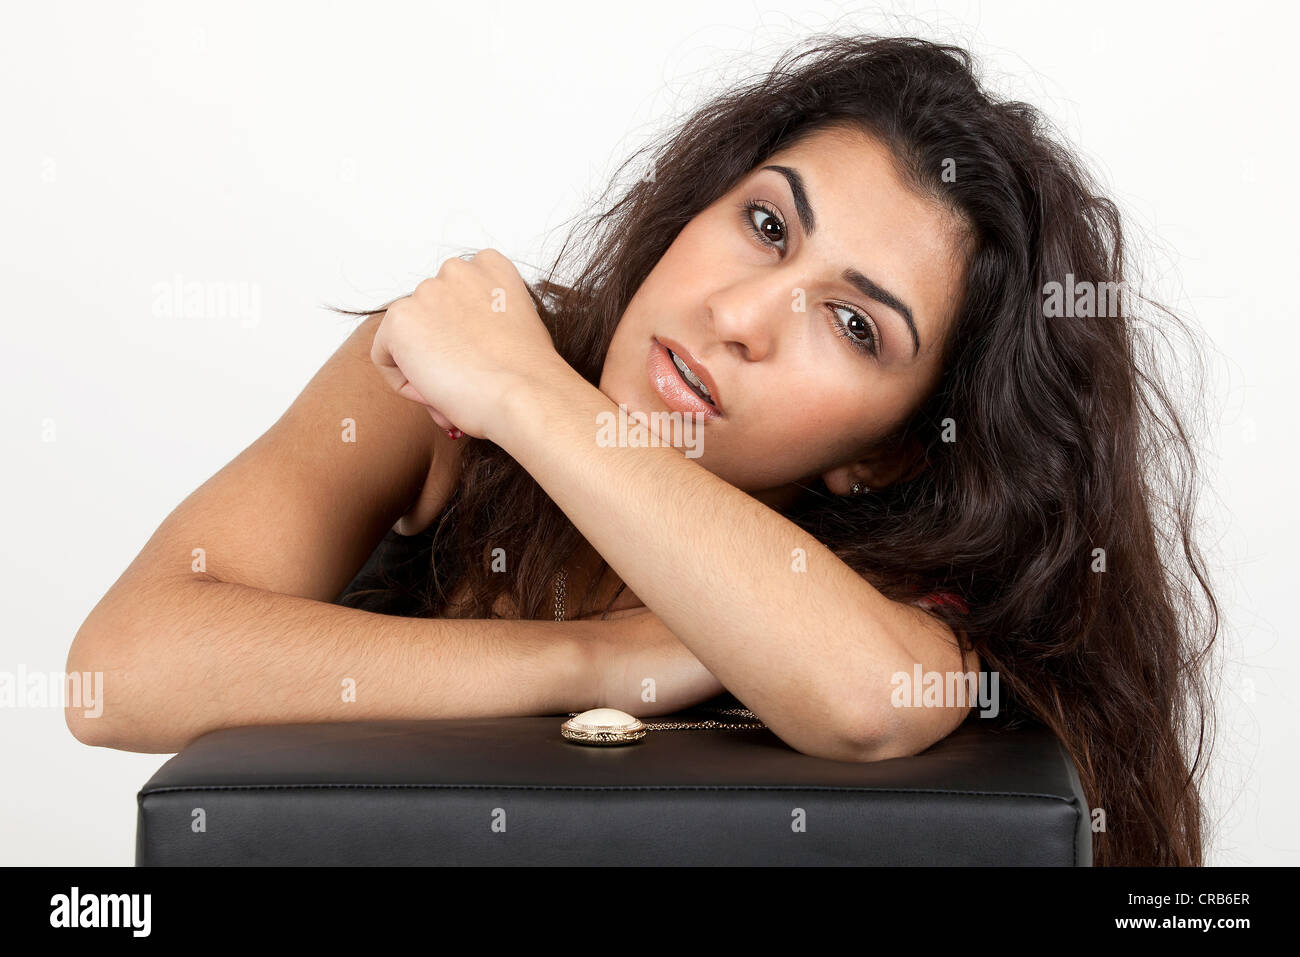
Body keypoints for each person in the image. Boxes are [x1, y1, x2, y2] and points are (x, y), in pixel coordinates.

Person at [68, 34, 1219, 868]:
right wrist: (594, 665)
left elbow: (869, 700)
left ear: (887, 459)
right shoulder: (442, 381)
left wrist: (525, 395)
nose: (743, 315)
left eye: (854, 323)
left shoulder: (883, 593)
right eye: (765, 225)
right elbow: (115, 675)